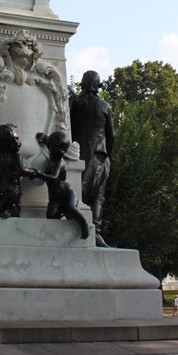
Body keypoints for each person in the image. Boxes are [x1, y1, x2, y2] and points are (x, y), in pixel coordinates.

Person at [69, 71, 115, 248]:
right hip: (98, 157)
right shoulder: (104, 106)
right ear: (98, 85)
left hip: (76, 155)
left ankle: (74, 224)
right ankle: (96, 232)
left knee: (76, 192)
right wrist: (109, 158)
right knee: (98, 196)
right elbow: (111, 137)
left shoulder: (75, 105)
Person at [32, 131, 90, 239]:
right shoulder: (51, 154)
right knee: (51, 216)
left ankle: (84, 224)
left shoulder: (59, 162)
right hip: (54, 197)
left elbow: (54, 177)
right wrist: (45, 139)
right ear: (50, 146)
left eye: (62, 150)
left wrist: (40, 174)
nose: (59, 151)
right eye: (56, 147)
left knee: (71, 208)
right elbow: (49, 143)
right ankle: (63, 218)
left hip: (67, 193)